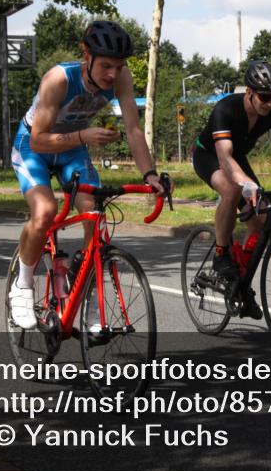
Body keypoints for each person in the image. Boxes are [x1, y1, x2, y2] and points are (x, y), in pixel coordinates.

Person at [9, 20, 171, 330]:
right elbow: (38, 139)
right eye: (106, 65)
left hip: (72, 149)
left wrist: (149, 174)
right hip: (34, 146)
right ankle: (24, 285)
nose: (113, 74)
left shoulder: (121, 78)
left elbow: (134, 129)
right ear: (86, 55)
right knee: (45, 211)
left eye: (119, 66)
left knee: (95, 214)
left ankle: (88, 294)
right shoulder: (58, 79)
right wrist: (83, 136)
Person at [191, 59, 271, 320]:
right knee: (231, 190)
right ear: (249, 92)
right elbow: (225, 158)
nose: (270, 102)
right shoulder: (225, 109)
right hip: (210, 157)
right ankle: (220, 254)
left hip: (237, 160)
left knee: (261, 221)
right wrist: (247, 185)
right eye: (265, 96)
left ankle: (241, 285)